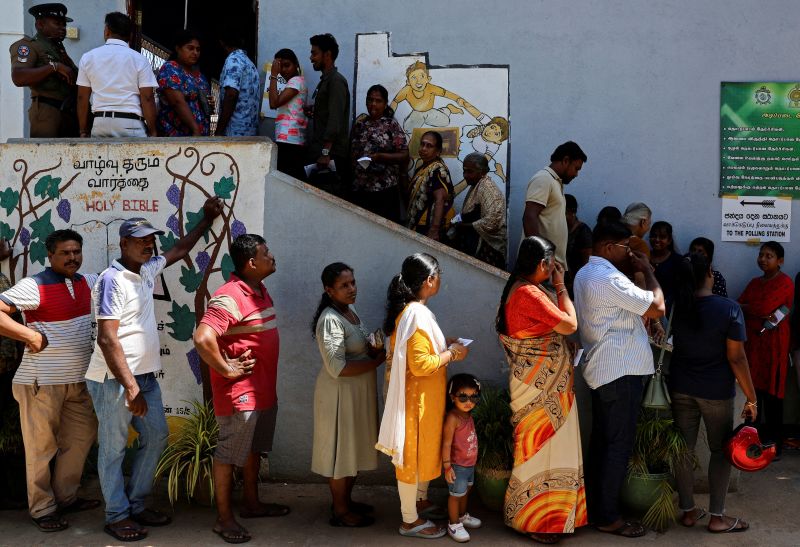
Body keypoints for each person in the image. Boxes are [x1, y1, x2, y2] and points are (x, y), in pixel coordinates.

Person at [84, 198, 223, 543]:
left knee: (157, 435)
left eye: (150, 240)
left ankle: (136, 502)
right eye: (141, 240)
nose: (149, 245)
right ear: (123, 244)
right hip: (114, 381)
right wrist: (129, 387)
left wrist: (206, 220)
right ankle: (116, 515)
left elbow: (178, 250)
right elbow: (107, 338)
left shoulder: (145, 269)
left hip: (142, 377)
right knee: (113, 447)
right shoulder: (111, 281)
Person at [0, 230, 100, 532]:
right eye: (65, 253)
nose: (72, 258)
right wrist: (28, 334)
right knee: (40, 448)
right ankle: (42, 508)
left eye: (76, 252)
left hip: (78, 382)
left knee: (81, 439)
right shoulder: (34, 285)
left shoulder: (88, 282)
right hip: (41, 382)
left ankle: (66, 497)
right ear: (51, 256)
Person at [193, 234, 288, 544]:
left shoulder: (258, 289)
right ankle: (224, 519)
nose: (272, 257)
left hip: (262, 391)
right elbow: (203, 337)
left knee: (253, 450)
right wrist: (227, 369)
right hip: (241, 394)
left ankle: (251, 504)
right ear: (251, 263)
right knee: (228, 454)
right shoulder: (229, 295)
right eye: (266, 253)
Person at [573, 221, 665, 538]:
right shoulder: (607, 277)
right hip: (620, 369)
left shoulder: (585, 274)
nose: (630, 254)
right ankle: (608, 516)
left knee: (603, 444)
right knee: (617, 446)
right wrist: (649, 271)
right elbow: (657, 306)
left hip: (603, 369)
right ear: (609, 247)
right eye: (626, 248)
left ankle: (598, 510)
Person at [497, 236, 586, 544]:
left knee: (546, 453)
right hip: (540, 388)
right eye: (551, 264)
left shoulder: (522, 288)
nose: (553, 269)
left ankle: (552, 518)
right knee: (539, 454)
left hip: (542, 386)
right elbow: (570, 325)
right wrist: (561, 286)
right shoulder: (529, 294)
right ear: (543, 264)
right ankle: (537, 522)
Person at [376, 253, 470, 539]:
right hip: (415, 403)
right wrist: (452, 354)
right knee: (410, 458)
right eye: (438, 274)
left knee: (417, 456)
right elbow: (422, 364)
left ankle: (418, 502)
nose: (440, 279)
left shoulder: (415, 311)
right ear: (429, 280)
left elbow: (425, 351)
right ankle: (409, 521)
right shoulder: (416, 313)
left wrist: (446, 344)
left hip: (420, 400)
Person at [669, 252, 757, 533]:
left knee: (683, 450)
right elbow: (737, 358)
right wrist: (752, 397)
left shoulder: (675, 306)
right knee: (720, 451)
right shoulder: (729, 308)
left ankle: (688, 511)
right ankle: (717, 517)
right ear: (710, 273)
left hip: (681, 387)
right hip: (716, 392)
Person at [310, 263, 384, 527]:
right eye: (344, 285)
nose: (352, 289)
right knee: (341, 452)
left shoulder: (349, 311)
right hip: (339, 395)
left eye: (353, 282)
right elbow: (337, 367)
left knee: (353, 449)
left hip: (357, 393)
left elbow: (358, 347)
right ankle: (340, 512)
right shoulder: (330, 319)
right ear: (329, 290)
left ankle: (346, 501)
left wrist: (374, 350)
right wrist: (376, 363)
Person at [738, 241, 794, 459]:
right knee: (754, 393)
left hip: (774, 347)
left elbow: (760, 307)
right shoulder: (754, 283)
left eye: (769, 256)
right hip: (754, 345)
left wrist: (753, 309)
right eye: (761, 255)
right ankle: (752, 442)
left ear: (780, 261)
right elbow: (739, 304)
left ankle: (774, 446)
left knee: (773, 395)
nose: (763, 259)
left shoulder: (785, 283)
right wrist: (755, 310)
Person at [76, 12, 157, 138]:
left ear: (107, 31)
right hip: (131, 123)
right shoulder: (139, 59)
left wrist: (83, 131)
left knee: (100, 158)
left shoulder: (88, 58)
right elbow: (147, 98)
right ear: (130, 35)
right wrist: (153, 131)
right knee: (134, 158)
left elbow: (82, 97)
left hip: (100, 122)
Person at [10, 3, 78, 137]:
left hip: (68, 111)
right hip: (47, 112)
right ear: (40, 25)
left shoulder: (57, 49)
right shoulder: (28, 46)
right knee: (47, 155)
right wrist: (54, 67)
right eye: (57, 24)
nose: (62, 28)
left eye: (64, 24)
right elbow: (18, 77)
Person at [522, 141, 587, 270]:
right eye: (576, 168)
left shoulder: (555, 182)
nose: (576, 174)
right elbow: (529, 217)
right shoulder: (544, 179)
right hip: (542, 265)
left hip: (551, 265)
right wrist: (540, 257)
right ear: (566, 160)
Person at [350, 84, 409, 223]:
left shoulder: (391, 125)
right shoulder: (360, 125)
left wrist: (380, 157)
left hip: (385, 190)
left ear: (385, 104)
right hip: (361, 189)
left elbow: (404, 155)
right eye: (370, 100)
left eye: (378, 101)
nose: (373, 104)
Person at [307, 33, 351, 194]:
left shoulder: (336, 81)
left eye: (314, 53)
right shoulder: (326, 80)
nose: (311, 57)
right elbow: (329, 112)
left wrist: (325, 153)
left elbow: (335, 120)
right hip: (323, 153)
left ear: (328, 55)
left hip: (330, 156)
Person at [441, 374, 482, 543]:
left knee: (465, 492)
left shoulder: (468, 415)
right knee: (455, 495)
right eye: (463, 397)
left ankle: (462, 516)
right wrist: (447, 467)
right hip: (457, 466)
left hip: (469, 465)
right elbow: (446, 444)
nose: (469, 402)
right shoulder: (453, 418)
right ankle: (453, 523)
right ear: (453, 397)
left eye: (474, 397)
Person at [451, 153, 507, 269]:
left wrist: (465, 226)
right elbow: (468, 211)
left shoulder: (489, 190)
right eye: (464, 171)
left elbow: (493, 221)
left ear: (482, 172)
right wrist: (454, 222)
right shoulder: (477, 185)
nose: (465, 175)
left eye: (470, 171)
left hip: (486, 249)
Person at [156, 29, 211, 137]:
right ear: (178, 48)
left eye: (198, 49)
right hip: (178, 137)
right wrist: (195, 129)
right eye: (190, 48)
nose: (195, 53)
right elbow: (177, 101)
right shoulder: (171, 69)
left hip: (200, 137)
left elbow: (205, 105)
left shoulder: (200, 76)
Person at [407, 131, 455, 241]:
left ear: (438, 151)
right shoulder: (423, 167)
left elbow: (440, 199)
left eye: (429, 146)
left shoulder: (438, 170)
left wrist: (434, 230)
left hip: (426, 227)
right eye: (422, 144)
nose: (424, 148)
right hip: (416, 223)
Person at [268, 48, 308, 180]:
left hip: (290, 141)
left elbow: (273, 103)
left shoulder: (296, 81)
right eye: (281, 67)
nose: (284, 70)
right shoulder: (294, 82)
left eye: (287, 65)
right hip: (289, 140)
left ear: (296, 64)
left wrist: (273, 75)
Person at [215, 27, 260, 137]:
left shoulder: (233, 60)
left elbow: (231, 94)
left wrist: (219, 130)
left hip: (234, 133)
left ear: (221, 43)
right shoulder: (250, 64)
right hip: (249, 132)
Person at [649, 221, 683, 310]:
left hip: (667, 310)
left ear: (669, 240)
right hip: (646, 307)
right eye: (654, 236)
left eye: (662, 237)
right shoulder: (643, 257)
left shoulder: (677, 261)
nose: (657, 240)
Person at [565, 193, 592, 292]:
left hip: (576, 285)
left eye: (563, 213)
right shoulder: (562, 229)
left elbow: (587, 263)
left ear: (572, 212)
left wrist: (575, 284)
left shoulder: (583, 231)